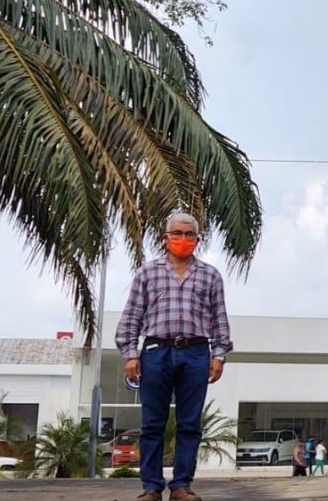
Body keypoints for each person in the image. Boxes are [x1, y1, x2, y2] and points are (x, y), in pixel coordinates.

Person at [115, 212, 231, 501]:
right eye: (177, 233)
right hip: (156, 351)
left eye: (189, 234)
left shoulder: (210, 275)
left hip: (196, 352)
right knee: (152, 423)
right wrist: (130, 354)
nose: (183, 239)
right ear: (165, 238)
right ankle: (151, 488)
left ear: (197, 239)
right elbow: (132, 316)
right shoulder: (148, 273)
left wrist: (219, 355)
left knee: (190, 423)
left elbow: (219, 319)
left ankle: (181, 486)